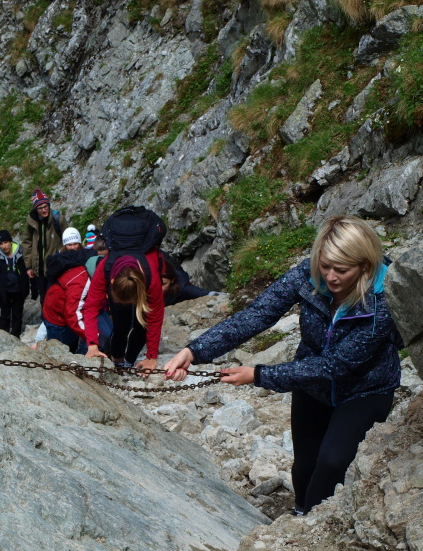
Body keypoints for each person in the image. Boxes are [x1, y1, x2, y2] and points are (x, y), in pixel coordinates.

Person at [163, 215, 405, 515]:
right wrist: (194, 351)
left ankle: (314, 526)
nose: (330, 277)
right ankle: (301, 514)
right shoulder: (309, 273)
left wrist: (258, 375)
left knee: (332, 462)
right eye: (325, 266)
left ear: (365, 266)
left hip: (365, 388)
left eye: (342, 270)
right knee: (305, 464)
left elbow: (334, 365)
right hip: (311, 387)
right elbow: (258, 314)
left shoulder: (383, 301)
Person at [83, 247, 165, 372]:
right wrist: (92, 345)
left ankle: (129, 361)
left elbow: (154, 318)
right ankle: (118, 362)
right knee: (120, 324)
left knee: (142, 325)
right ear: (112, 282)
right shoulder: (104, 268)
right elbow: (91, 307)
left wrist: (151, 356)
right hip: (125, 281)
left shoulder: (151, 280)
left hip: (145, 278)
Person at [41, 229, 96, 353]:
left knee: (70, 347)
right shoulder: (59, 262)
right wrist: (92, 339)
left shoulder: (82, 258)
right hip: (57, 315)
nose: (73, 247)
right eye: (69, 245)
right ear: (64, 245)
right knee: (58, 352)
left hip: (61, 310)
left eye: (75, 244)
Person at [21, 188, 68, 304]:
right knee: (44, 298)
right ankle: (45, 315)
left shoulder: (58, 219)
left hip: (55, 266)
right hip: (39, 269)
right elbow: (27, 243)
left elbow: (67, 240)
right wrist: (29, 267)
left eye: (45, 206)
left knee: (55, 297)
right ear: (35, 209)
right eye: (40, 208)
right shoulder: (31, 222)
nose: (44, 210)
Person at [0, 230, 28, 338]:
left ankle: (16, 337)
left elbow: (28, 271)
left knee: (17, 315)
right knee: (4, 316)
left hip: (18, 290)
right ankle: (3, 338)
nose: (4, 246)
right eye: (1, 244)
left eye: (5, 242)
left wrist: (28, 289)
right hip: (4, 291)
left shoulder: (20, 252)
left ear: (10, 241)